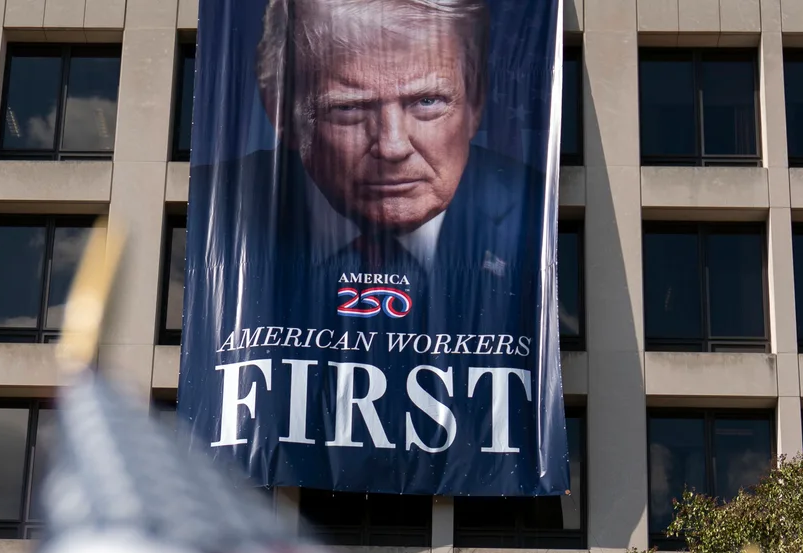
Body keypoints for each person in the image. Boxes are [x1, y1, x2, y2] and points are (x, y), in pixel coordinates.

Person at [191, 0, 545, 333]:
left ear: (476, 103)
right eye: (349, 108)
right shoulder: (212, 214)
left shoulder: (537, 213)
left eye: (427, 101)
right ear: (282, 115)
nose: (392, 147)